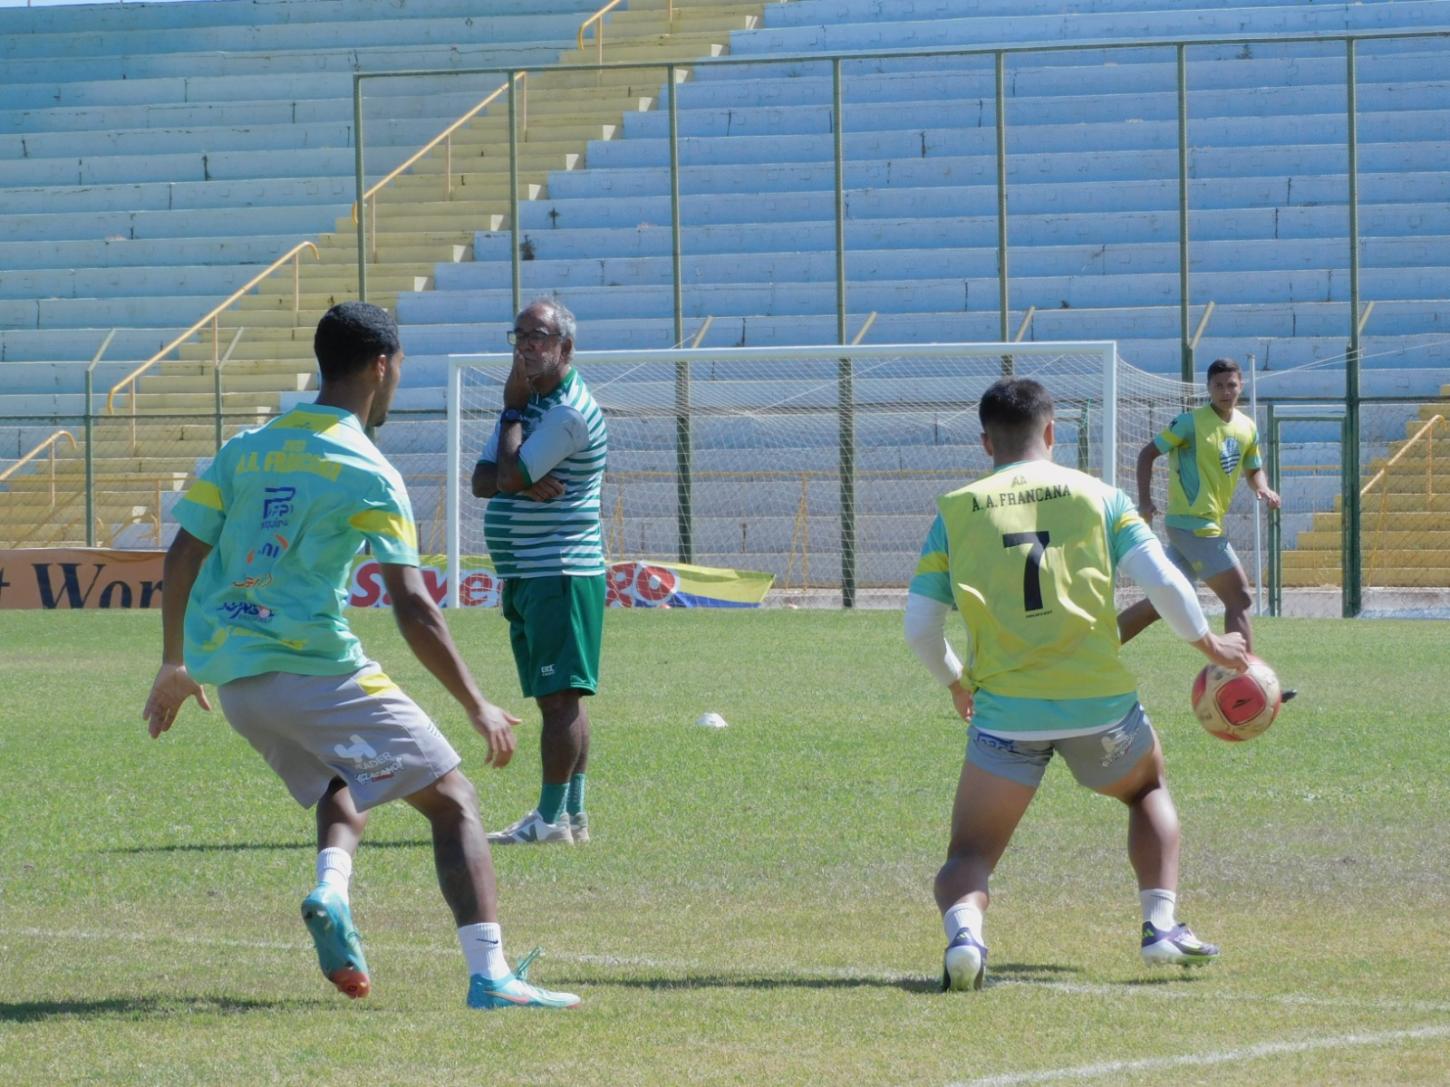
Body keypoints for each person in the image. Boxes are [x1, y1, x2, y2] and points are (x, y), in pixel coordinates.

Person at [141, 301, 579, 1011]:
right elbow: (413, 605)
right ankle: (491, 975)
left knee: (341, 782)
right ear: (383, 366)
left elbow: (185, 549)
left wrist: (173, 660)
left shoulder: (248, 446)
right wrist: (475, 702)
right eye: (400, 368)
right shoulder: (370, 470)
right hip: (312, 668)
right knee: (454, 801)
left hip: (238, 688)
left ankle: (331, 890)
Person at [904, 377, 1250, 992]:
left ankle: (966, 936)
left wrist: (957, 683)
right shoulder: (1100, 497)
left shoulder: (955, 511)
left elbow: (920, 628)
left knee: (970, 855)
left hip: (1006, 715)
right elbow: (1166, 584)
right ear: (1053, 431)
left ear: (986, 443)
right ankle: (1160, 925)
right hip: (1102, 709)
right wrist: (1210, 644)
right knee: (1146, 790)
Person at [471, 297, 607, 846]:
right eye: (520, 336)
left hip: (559, 570)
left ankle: (549, 820)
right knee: (561, 698)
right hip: (531, 571)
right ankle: (571, 816)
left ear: (565, 348)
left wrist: (509, 427)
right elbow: (483, 480)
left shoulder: (563, 412)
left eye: (540, 337)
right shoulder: (532, 405)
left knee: (560, 700)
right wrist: (518, 475)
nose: (527, 346)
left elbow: (505, 475)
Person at [1117, 358, 1287, 674]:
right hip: (1194, 525)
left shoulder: (1247, 427)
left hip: (1195, 526)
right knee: (1239, 598)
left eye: (1231, 385)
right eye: (1218, 386)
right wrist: (1145, 501)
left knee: (1161, 602)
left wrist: (1263, 488)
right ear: (1208, 388)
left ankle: (1100, 646)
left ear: (1241, 386)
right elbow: (1146, 454)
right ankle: (1245, 680)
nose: (1225, 391)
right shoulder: (1189, 423)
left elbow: (1253, 468)